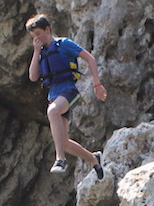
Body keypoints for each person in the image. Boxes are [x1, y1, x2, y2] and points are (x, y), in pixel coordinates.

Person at [25, 13, 107, 179]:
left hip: (69, 90)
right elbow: (33, 76)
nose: (37, 38)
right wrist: (35, 52)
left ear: (47, 29)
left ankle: (60, 159)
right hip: (54, 94)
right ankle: (94, 159)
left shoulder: (63, 44)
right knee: (63, 142)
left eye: (39, 33)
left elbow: (90, 59)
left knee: (52, 112)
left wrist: (97, 84)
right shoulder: (41, 52)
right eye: (34, 36)